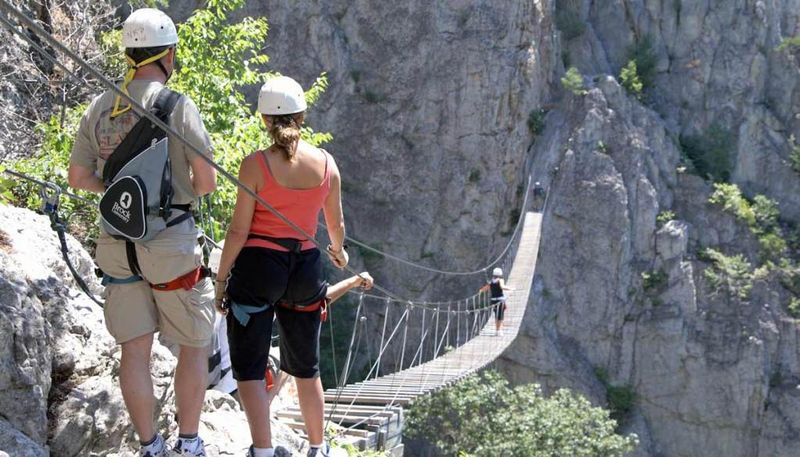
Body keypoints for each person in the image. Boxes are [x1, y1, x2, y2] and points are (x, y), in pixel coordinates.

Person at [67, 8, 216, 457]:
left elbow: (78, 176)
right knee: (194, 342)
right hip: (169, 245)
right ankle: (189, 443)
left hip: (116, 242)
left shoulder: (101, 106)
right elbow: (207, 181)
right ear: (168, 55)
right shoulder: (178, 106)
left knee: (134, 350)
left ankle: (151, 447)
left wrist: (118, 193)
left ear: (130, 54)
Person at [214, 75, 349, 457]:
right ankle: (318, 447)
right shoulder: (327, 165)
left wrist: (221, 281)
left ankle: (263, 450)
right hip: (305, 268)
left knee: (250, 366)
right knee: (306, 367)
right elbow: (336, 225)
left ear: (264, 119)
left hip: (258, 268)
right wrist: (339, 253)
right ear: (302, 117)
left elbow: (238, 230)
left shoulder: (254, 166)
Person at [479, 268, 513, 335]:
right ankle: (498, 331)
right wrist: (511, 288)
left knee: (497, 315)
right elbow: (502, 287)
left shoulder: (491, 281)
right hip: (500, 300)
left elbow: (485, 288)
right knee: (500, 315)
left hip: (493, 301)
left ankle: (497, 330)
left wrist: (480, 291)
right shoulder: (500, 280)